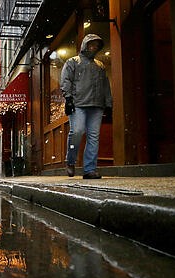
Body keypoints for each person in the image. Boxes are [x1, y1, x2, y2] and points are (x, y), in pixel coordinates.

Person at [60, 33, 112, 179]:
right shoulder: (73, 62)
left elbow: (105, 86)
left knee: (94, 137)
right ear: (85, 45)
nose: (94, 47)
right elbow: (66, 80)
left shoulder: (100, 66)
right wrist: (68, 98)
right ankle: (70, 161)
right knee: (76, 132)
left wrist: (108, 103)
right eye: (91, 44)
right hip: (78, 104)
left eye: (96, 45)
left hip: (96, 105)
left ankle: (90, 169)